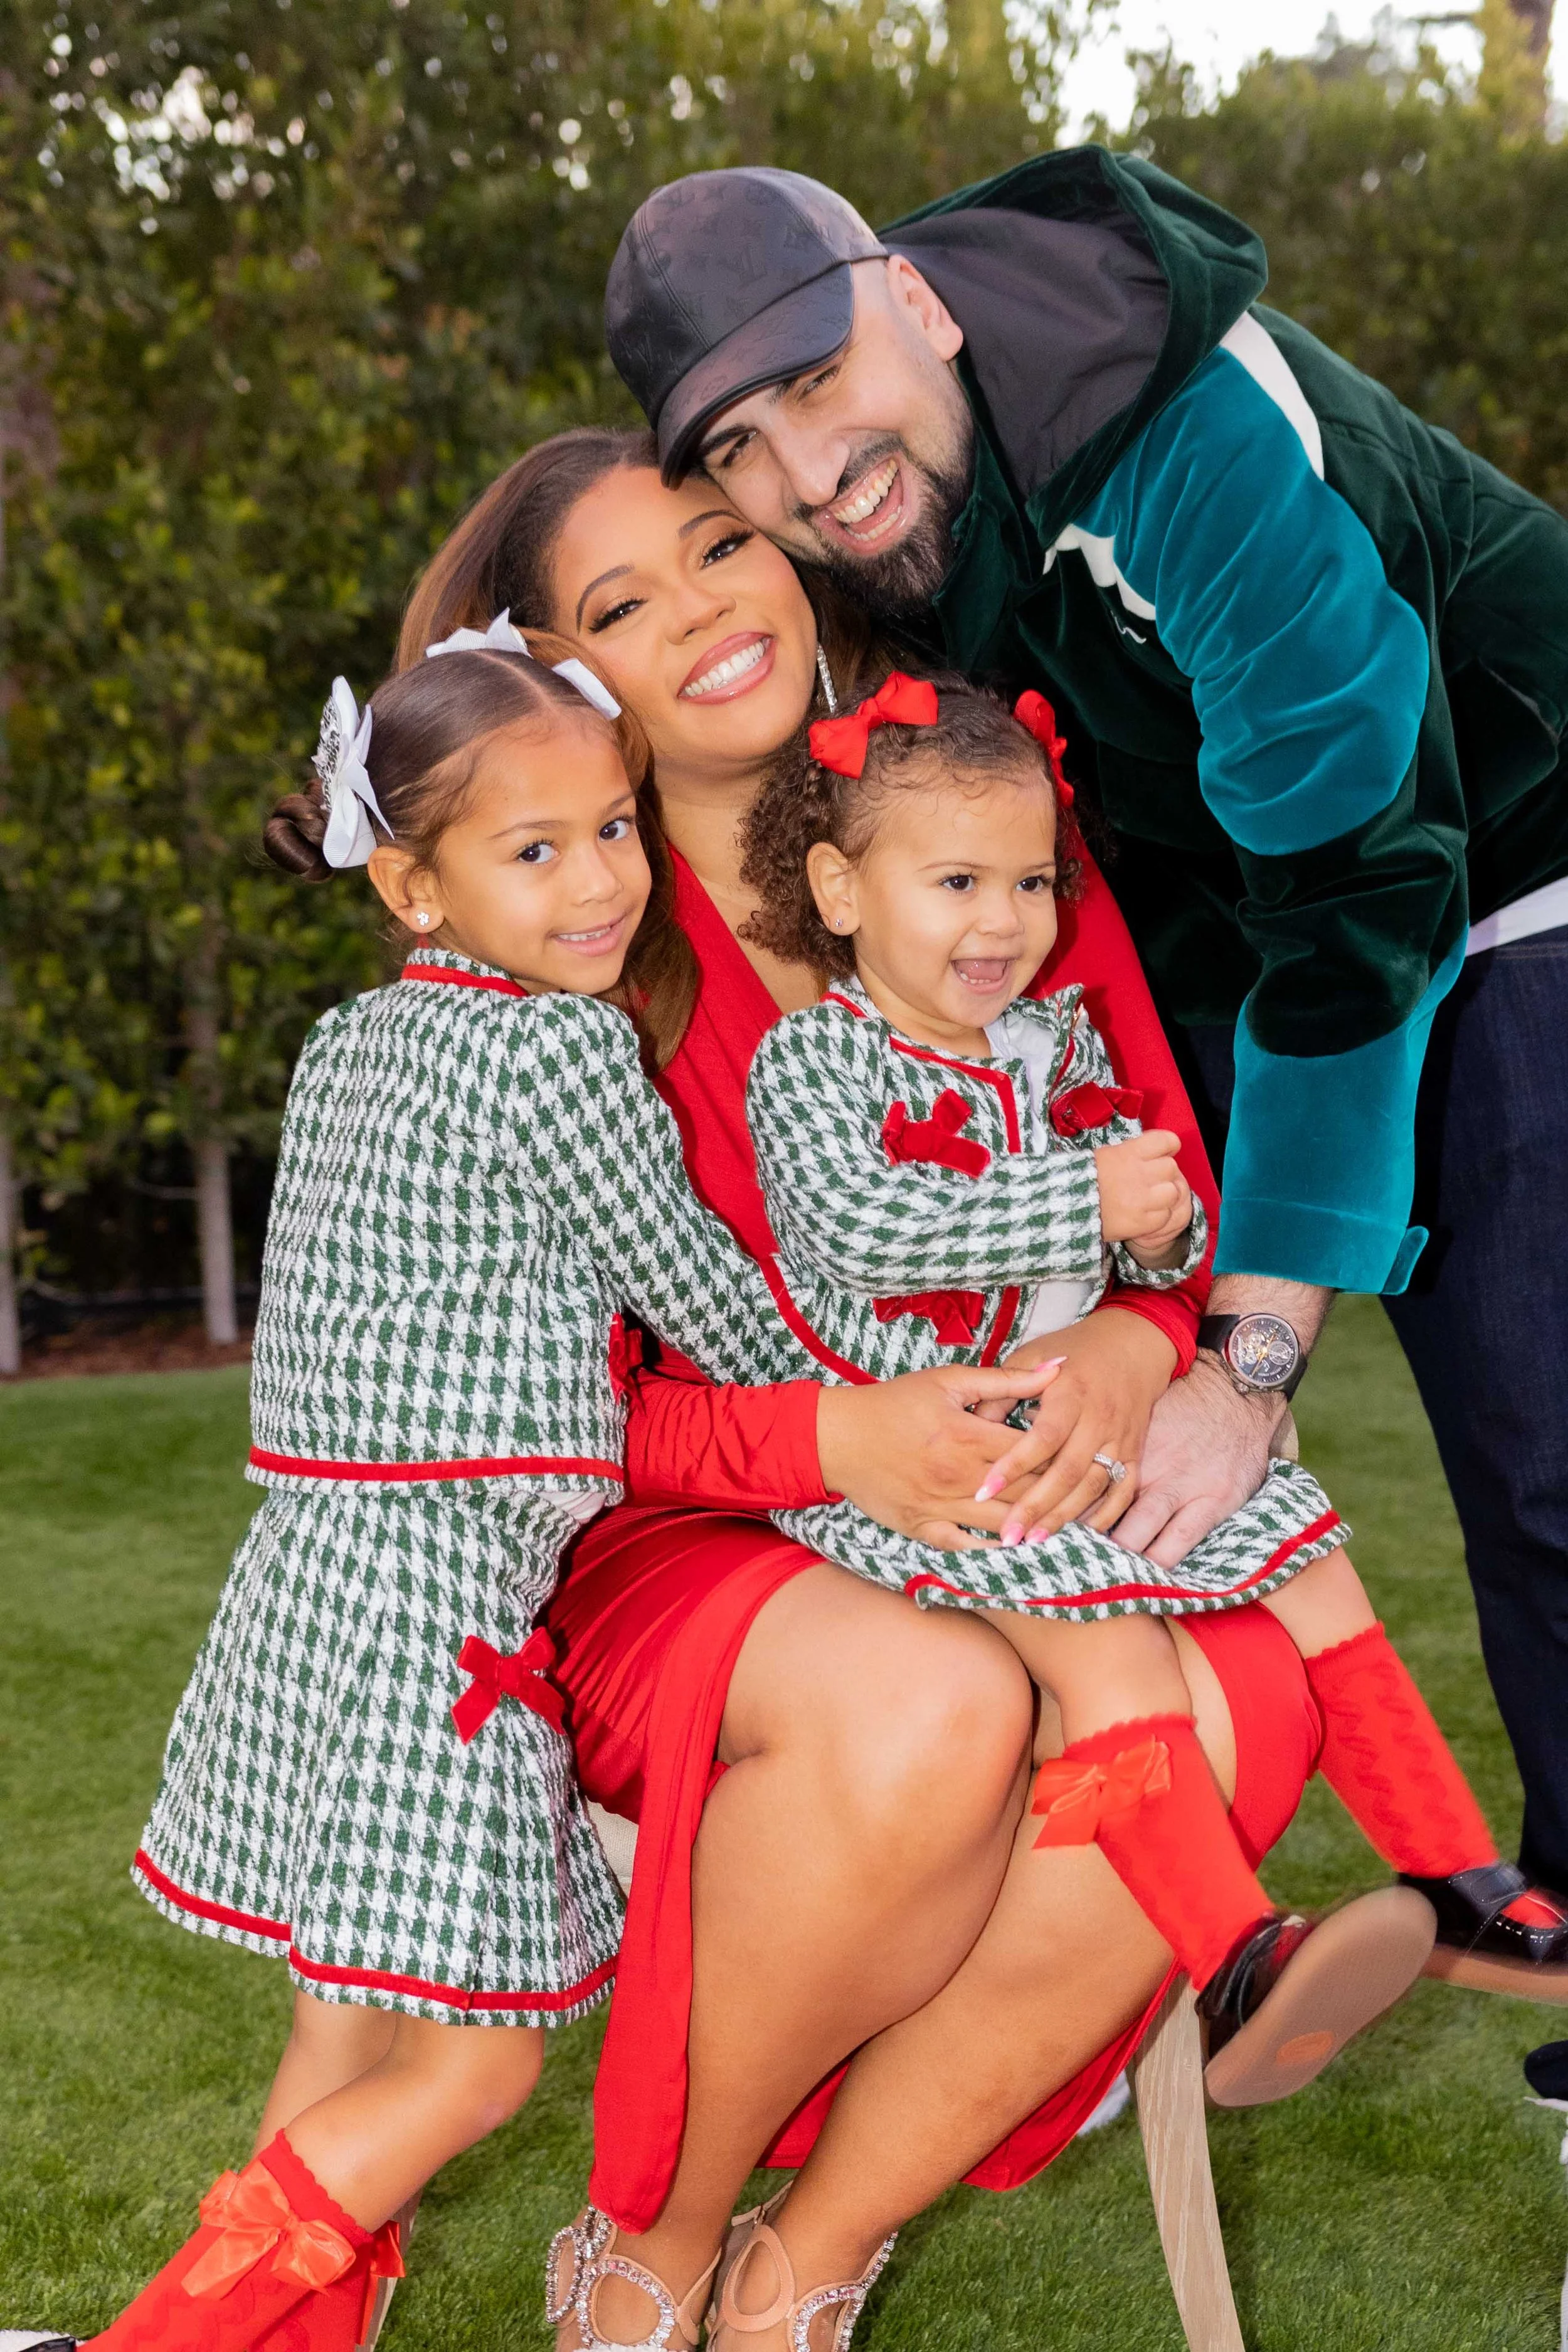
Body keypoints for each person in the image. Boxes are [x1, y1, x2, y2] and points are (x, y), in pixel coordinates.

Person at [399, 434, 1437, 2352]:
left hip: (1000, 1454)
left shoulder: (971, 820)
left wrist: (1136, 1340)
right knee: (928, 1705)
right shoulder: (543, 951)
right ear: (558, 677)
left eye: (721, 544)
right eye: (624, 602)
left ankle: (808, 2268)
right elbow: (513, 1404)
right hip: (686, 1517)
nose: (706, 605)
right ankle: (652, 2248)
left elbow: (1154, 1162)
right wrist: (835, 1438)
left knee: (1228, 1698)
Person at [603, 157, 1568, 1958]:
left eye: (816, 381)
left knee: (1542, 1444)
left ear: (924, 305)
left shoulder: (1191, 435)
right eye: (736, 448)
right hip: (1256, 923)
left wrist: (1251, 1353)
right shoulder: (904, 528)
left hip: (1514, 861)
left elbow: (1365, 880)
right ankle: (1175, 1899)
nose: (803, 475)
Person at [18, 628, 882, 2352]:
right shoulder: (560, 1054)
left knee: (343, 2034)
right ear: (413, 882)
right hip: (439, 1602)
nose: (599, 881)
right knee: (476, 2051)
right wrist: (867, 1389)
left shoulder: (356, 1042)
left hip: (310, 1570)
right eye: (534, 847)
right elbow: (698, 1287)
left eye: (615, 827)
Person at [738, 660, 1567, 2102]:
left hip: (1078, 1429)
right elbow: (859, 1235)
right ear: (839, 886)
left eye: (1028, 882)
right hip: (943, 1462)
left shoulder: (1052, 1044)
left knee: (1312, 1569)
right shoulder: (812, 1065)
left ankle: (1453, 1874)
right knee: (1110, 1659)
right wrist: (1085, 1203)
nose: (1001, 922)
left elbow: (1157, 1221)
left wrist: (1165, 1223)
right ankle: (1230, 1957)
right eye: (953, 884)